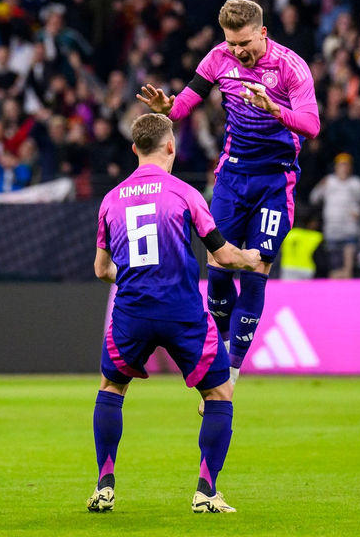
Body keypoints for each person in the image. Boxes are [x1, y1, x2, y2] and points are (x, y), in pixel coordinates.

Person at [136, 0, 319, 384]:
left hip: (275, 179)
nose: (238, 51)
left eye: (245, 43)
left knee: (255, 265)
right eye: (232, 43)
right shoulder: (218, 58)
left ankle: (230, 373)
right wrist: (167, 107)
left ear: (263, 33)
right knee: (218, 271)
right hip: (232, 177)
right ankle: (220, 347)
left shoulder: (290, 67)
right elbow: (185, 103)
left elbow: (311, 124)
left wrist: (275, 110)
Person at [89, 113, 260, 514]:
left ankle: (104, 485)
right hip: (182, 313)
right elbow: (223, 255)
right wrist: (251, 259)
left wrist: (130, 275)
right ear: (171, 146)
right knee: (219, 394)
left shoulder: (111, 199)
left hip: (130, 311)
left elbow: (100, 269)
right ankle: (206, 491)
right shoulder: (185, 194)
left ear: (134, 149)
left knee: (111, 390)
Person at [309, 153, 360, 246]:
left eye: (346, 165)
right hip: (332, 231)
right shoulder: (329, 181)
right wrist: (320, 186)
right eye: (341, 165)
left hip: (351, 231)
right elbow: (313, 198)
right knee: (333, 259)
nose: (344, 168)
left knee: (350, 259)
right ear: (336, 167)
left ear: (351, 167)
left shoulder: (357, 183)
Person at [279, 209, 329, 280]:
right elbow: (320, 258)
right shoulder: (316, 237)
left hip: (287, 267)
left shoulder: (289, 234)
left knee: (287, 290)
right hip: (306, 269)